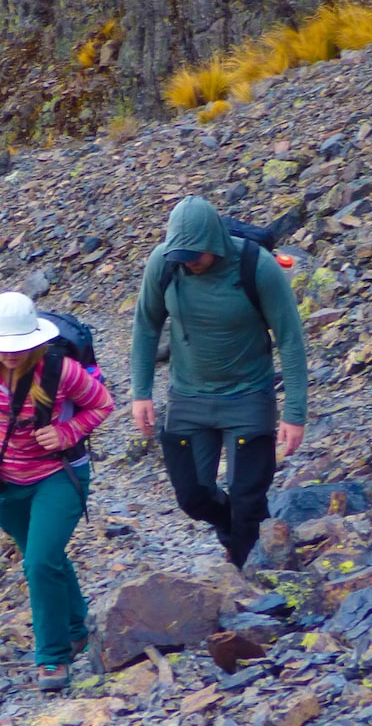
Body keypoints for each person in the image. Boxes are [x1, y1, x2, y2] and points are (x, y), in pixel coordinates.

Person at [130, 195, 307, 569]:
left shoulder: (256, 268)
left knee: (247, 500)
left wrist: (294, 413)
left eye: (195, 255)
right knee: (193, 497)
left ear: (214, 242)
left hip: (248, 398)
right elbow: (147, 324)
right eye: (181, 255)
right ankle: (235, 528)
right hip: (188, 396)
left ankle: (248, 587)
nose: (188, 262)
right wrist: (141, 392)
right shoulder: (165, 264)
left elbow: (290, 338)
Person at [0, 292, 114, 691]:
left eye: (19, 347)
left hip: (59, 476)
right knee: (46, 560)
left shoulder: (62, 370)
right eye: (2, 347)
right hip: (7, 483)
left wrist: (66, 433)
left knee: (39, 563)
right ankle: (78, 628)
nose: (10, 354)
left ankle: (53, 659)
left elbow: (103, 404)